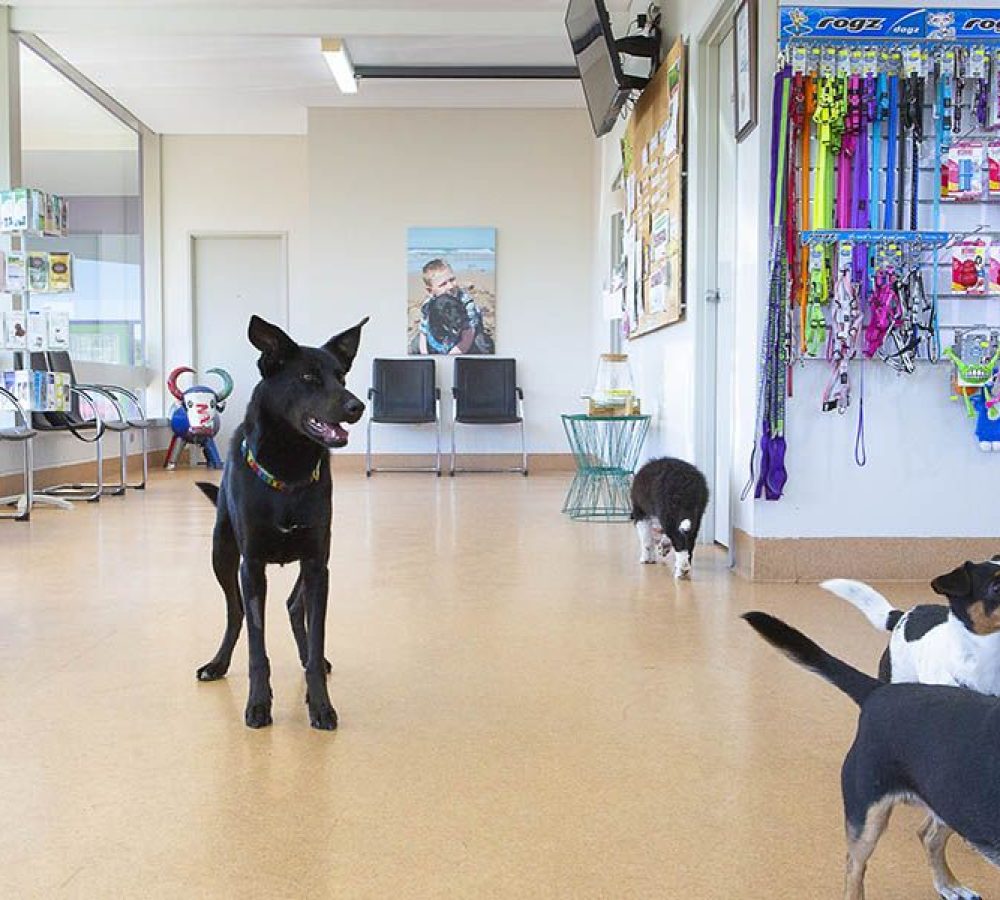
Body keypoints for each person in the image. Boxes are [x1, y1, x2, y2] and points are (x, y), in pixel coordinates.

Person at [412, 258, 494, 355]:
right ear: (430, 290)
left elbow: (467, 336)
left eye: (452, 280)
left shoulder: (466, 302)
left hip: (467, 332)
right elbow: (424, 331)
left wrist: (451, 356)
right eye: (443, 284)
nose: (450, 286)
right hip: (444, 328)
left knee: (481, 343)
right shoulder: (428, 304)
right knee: (415, 343)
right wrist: (425, 354)